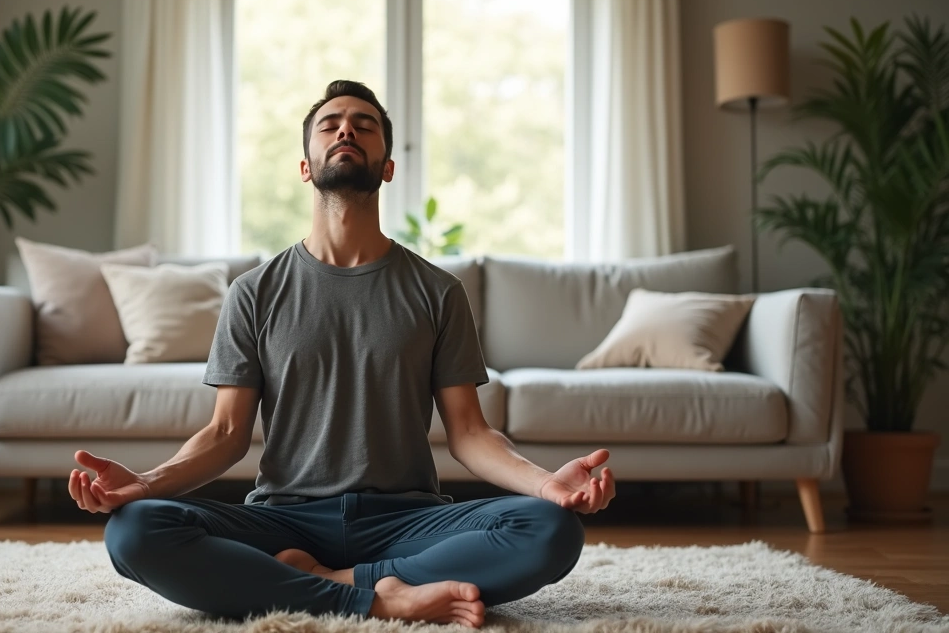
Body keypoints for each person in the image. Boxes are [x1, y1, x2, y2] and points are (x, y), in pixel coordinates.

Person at [68, 80, 616, 629]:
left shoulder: (439, 292)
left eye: (364, 124)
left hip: (408, 518)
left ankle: (323, 585)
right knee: (133, 531)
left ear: (387, 167)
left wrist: (546, 484)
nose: (346, 130)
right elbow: (225, 435)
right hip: (286, 520)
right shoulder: (253, 292)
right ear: (305, 166)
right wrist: (144, 484)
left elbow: (470, 436)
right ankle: (386, 595)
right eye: (330, 125)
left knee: (552, 529)